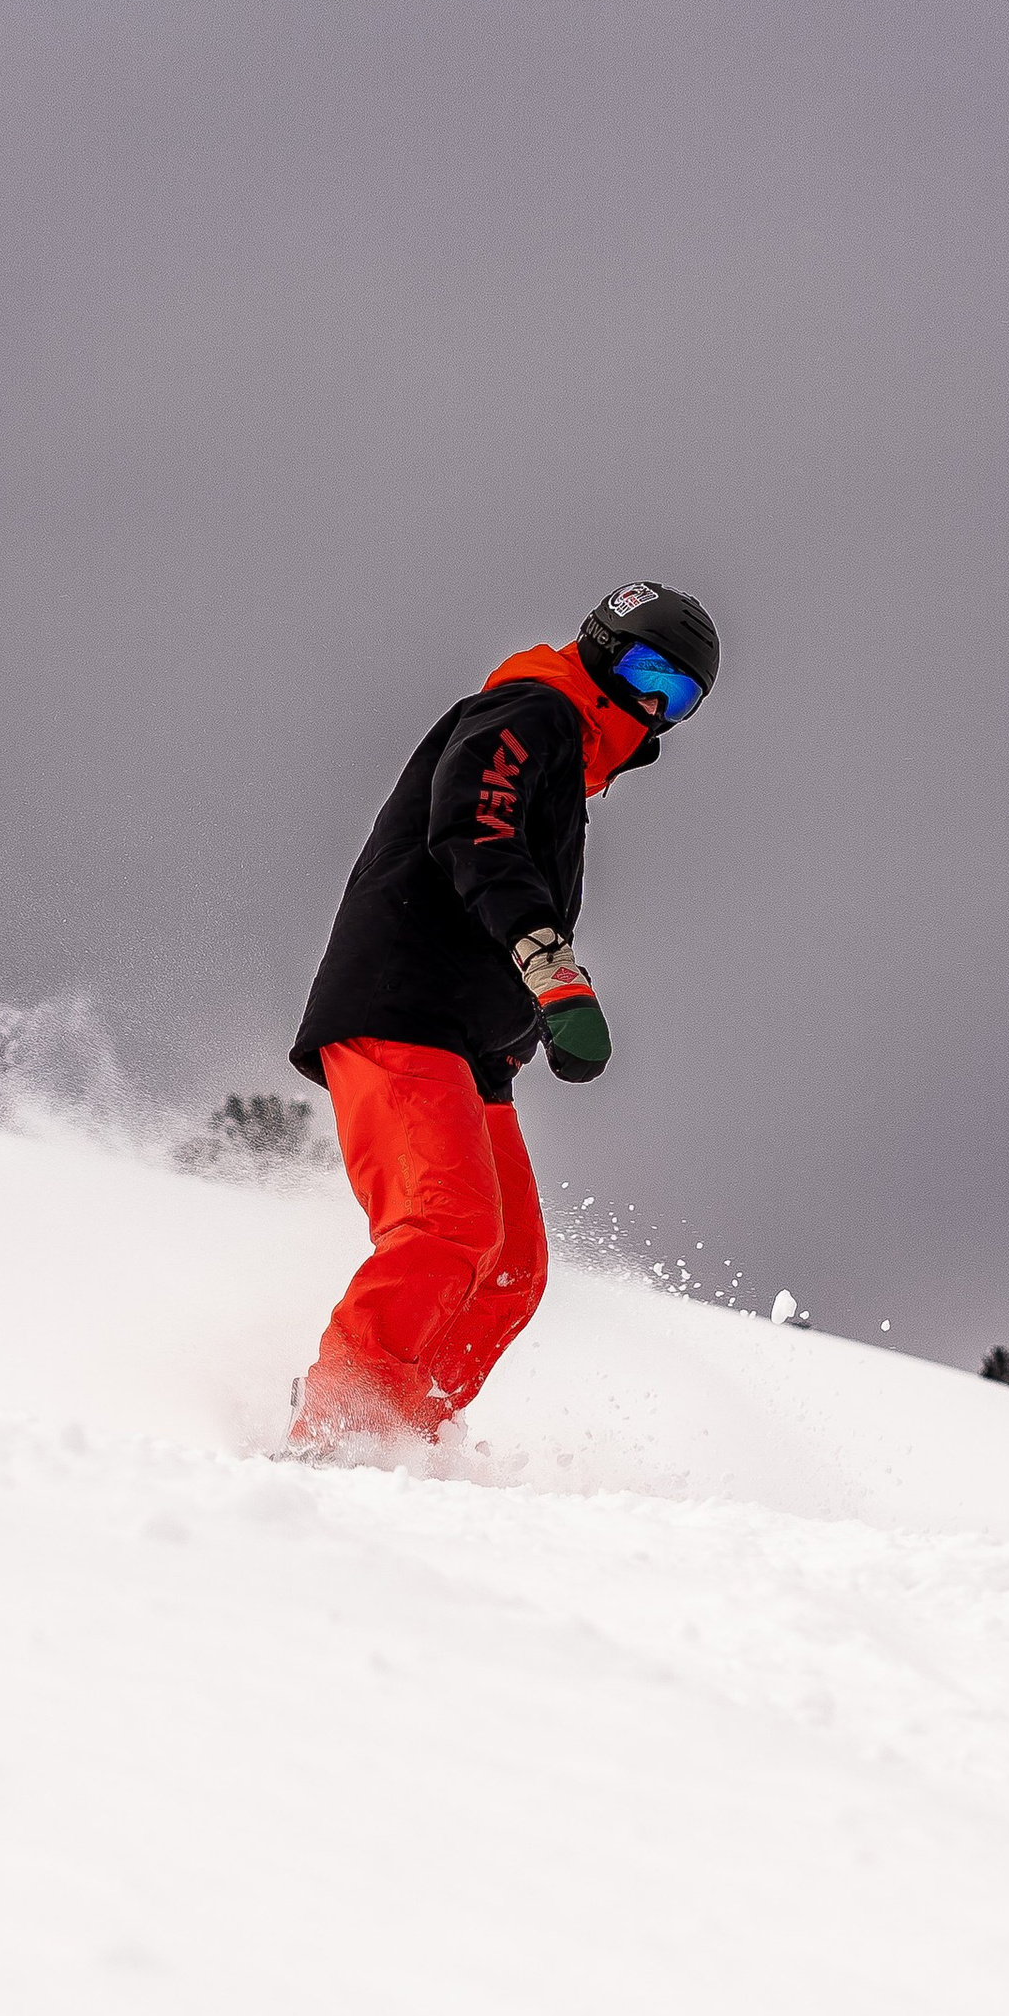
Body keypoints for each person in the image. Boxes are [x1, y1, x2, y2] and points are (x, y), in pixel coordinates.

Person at [285, 579, 720, 1456]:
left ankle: (403, 1435)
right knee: (447, 1227)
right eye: (642, 671)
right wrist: (553, 975)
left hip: (469, 1045)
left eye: (675, 696)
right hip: (403, 1008)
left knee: (511, 1270)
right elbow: (474, 826)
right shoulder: (534, 710)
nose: (649, 703)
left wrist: (519, 1028)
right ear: (597, 645)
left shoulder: (568, 753)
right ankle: (339, 1429)